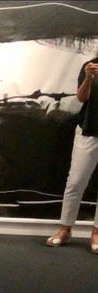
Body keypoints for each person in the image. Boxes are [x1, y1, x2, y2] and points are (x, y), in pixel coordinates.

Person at [46, 57, 98, 254]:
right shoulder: (90, 66)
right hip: (88, 129)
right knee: (75, 182)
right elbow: (82, 98)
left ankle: (96, 233)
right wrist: (88, 78)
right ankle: (65, 229)